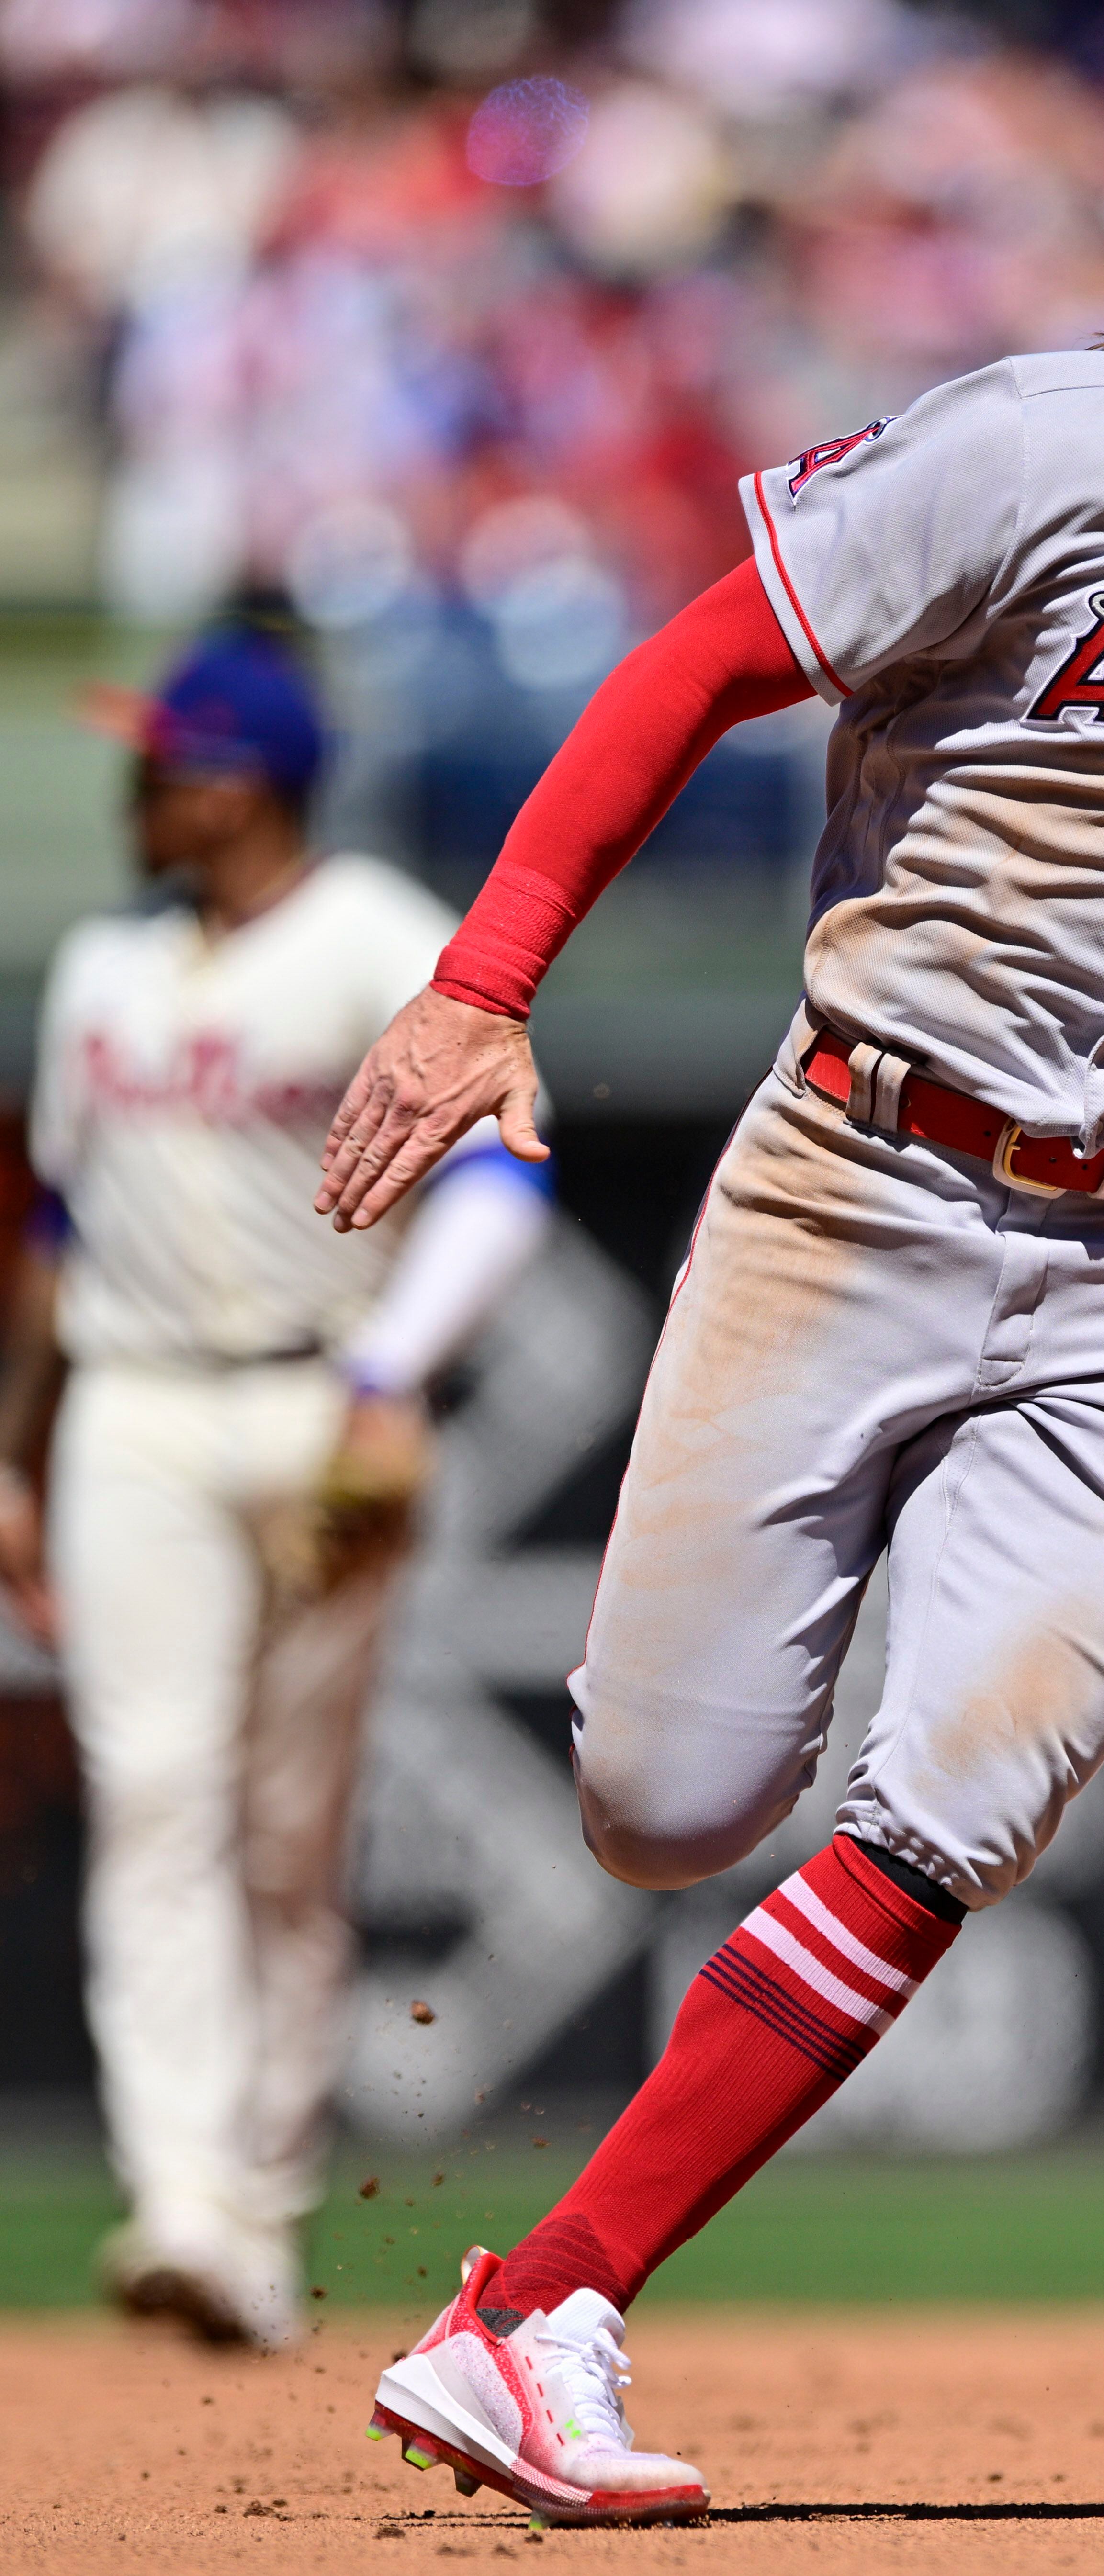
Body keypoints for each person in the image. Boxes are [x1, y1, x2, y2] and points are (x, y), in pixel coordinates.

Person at [316, 72, 1104, 2527]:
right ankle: (546, 2252)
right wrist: (483, 983)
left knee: (960, 1795)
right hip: (855, 1170)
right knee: (668, 1804)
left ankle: (535, 2308)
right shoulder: (1053, 448)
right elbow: (705, 655)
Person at [0, 620, 555, 2350]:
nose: (134, 786)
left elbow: (495, 1184)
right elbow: (54, 1239)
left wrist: (392, 1374)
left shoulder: (378, 939)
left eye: (161, 761)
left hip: (324, 1402)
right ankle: (183, 2205)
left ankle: (258, 2208)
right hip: (138, 1415)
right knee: (156, 1799)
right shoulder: (102, 965)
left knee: (283, 1836)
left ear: (237, 785)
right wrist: (18, 1454)